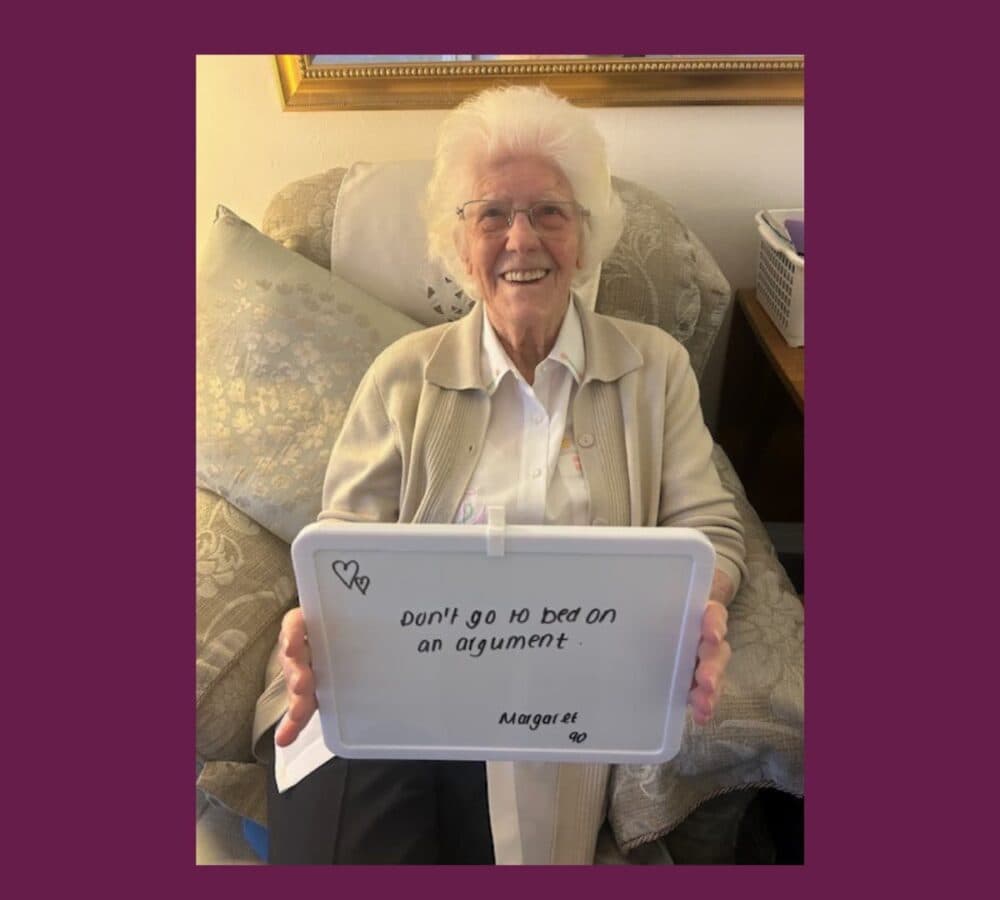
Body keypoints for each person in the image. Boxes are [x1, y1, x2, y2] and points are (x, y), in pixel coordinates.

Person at [264, 85, 746, 865]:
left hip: (549, 698)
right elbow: (345, 543)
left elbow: (711, 527)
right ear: (460, 246)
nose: (522, 239)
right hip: (389, 682)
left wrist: (703, 603)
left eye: (549, 212)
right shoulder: (401, 376)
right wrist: (320, 617)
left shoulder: (655, 369)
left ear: (584, 238)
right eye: (491, 214)